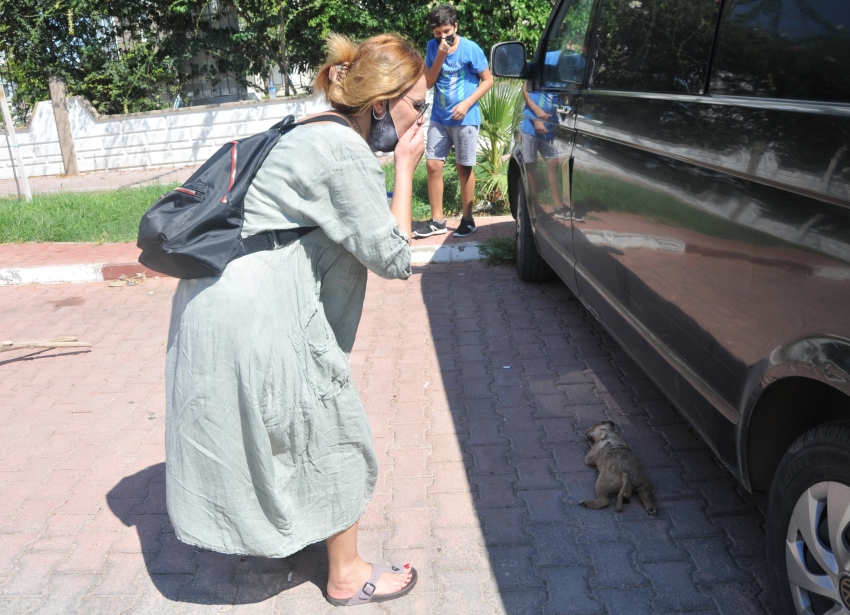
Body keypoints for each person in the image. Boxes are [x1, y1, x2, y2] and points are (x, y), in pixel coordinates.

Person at [164, 33, 429, 607]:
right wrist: (405, 165)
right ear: (382, 104)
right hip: (258, 310)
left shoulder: (306, 127)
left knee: (283, 424)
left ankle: (296, 531)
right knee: (331, 423)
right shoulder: (342, 150)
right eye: (418, 106)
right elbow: (396, 256)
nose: (422, 118)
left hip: (213, 299)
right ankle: (346, 572)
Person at [413, 4, 493, 238]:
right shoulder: (432, 47)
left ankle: (468, 220)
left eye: (447, 31)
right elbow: (428, 82)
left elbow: (488, 80)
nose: (443, 36)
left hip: (466, 118)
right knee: (432, 165)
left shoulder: (470, 49)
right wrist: (440, 55)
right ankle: (437, 221)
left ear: (455, 26)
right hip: (439, 117)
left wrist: (467, 103)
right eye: (437, 33)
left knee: (464, 168)